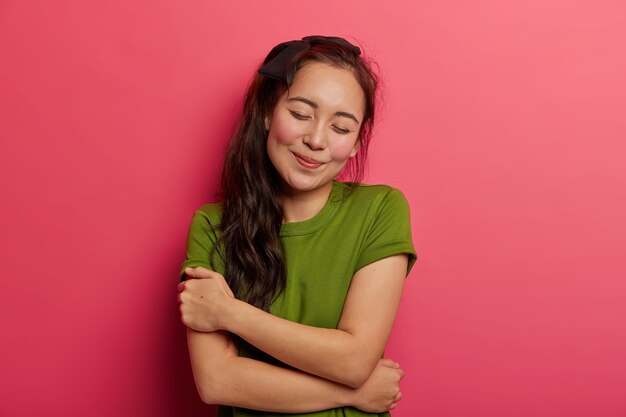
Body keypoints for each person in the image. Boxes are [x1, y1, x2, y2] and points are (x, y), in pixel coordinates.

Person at [177, 35, 417, 416]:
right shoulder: (211, 226)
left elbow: (354, 361)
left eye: (341, 128)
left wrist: (230, 313)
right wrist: (351, 395)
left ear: (356, 142)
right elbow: (217, 382)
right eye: (302, 114)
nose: (316, 140)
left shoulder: (380, 210)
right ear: (269, 113)